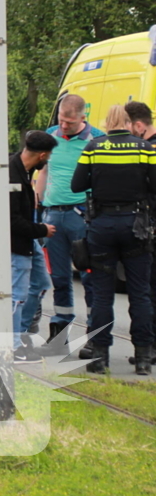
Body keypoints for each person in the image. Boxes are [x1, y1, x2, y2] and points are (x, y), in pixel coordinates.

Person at [71, 104, 156, 375]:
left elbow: (76, 185)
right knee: (140, 294)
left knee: (102, 294)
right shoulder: (145, 149)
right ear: (130, 123)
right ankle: (143, 357)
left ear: (107, 123)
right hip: (136, 226)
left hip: (102, 227)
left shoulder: (94, 148)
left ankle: (99, 356)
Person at [36, 94, 104, 356]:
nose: (64, 126)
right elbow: (44, 170)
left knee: (89, 277)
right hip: (52, 216)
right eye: (62, 121)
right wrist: (38, 205)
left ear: (82, 118)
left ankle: (93, 335)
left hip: (81, 216)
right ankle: (58, 335)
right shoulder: (50, 135)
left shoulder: (96, 139)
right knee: (60, 278)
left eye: (70, 123)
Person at [9, 131, 57, 362]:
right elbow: (12, 220)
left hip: (29, 242)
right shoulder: (12, 175)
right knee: (16, 294)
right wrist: (42, 230)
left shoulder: (23, 169)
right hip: (19, 242)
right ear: (42, 155)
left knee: (40, 282)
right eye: (48, 157)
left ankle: (22, 331)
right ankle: (13, 345)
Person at [125, 100, 156, 367]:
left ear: (137, 125)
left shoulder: (148, 149)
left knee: (149, 288)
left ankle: (151, 347)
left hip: (150, 224)